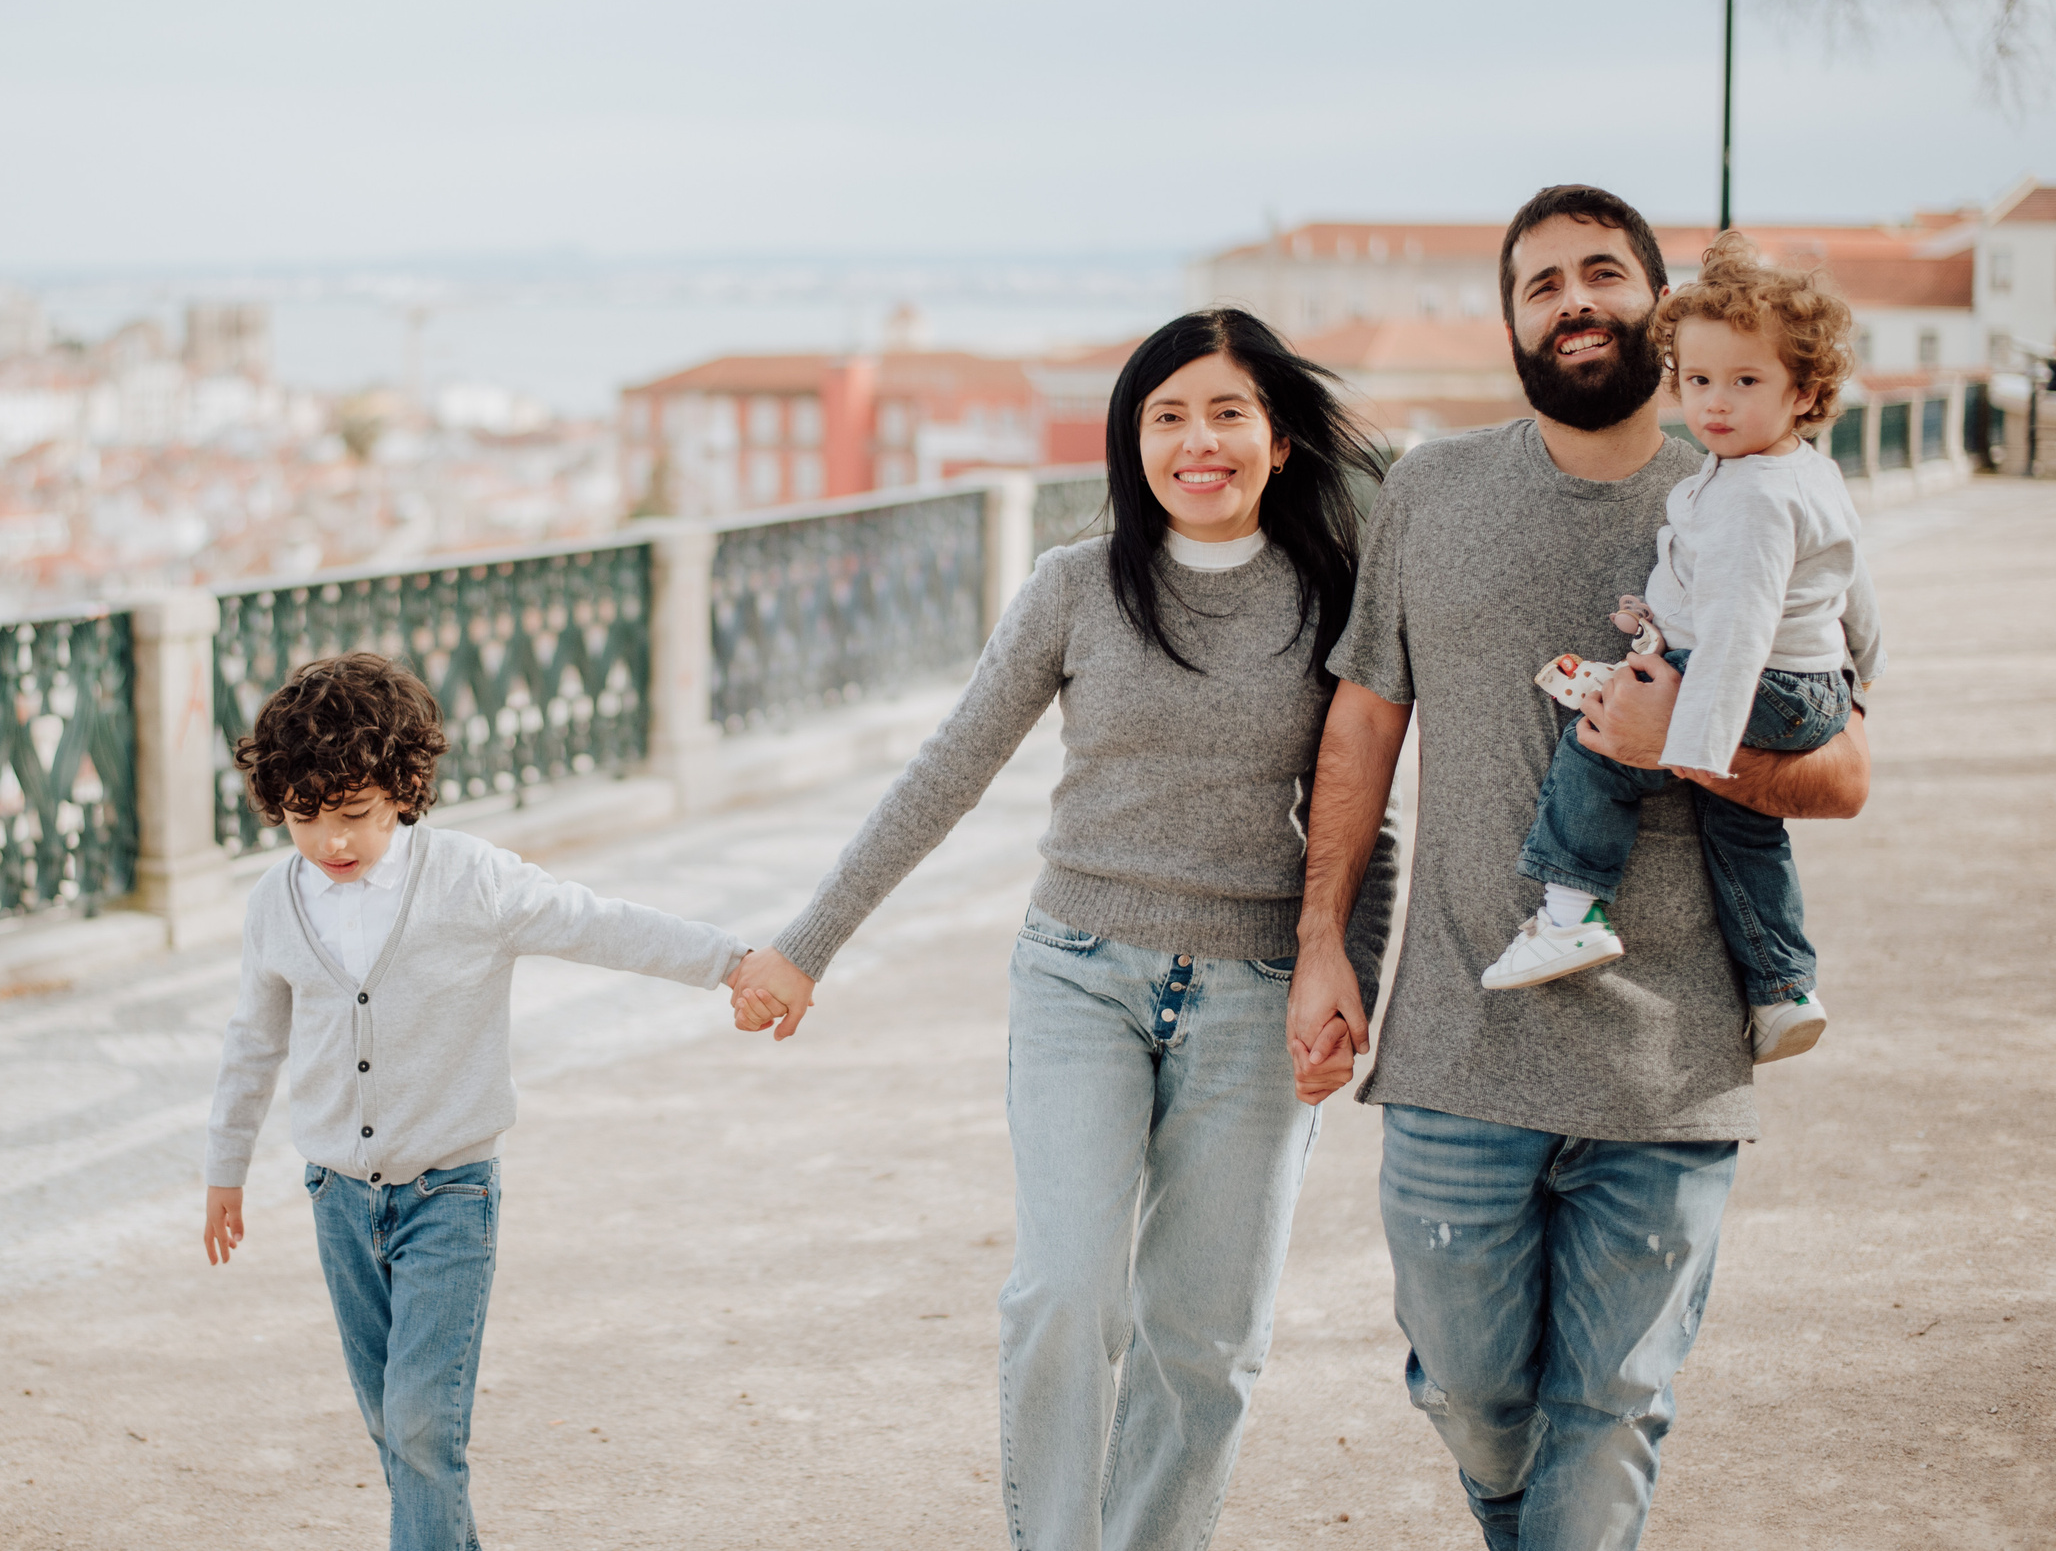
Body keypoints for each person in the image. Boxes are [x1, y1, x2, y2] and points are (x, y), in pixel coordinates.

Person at [730, 309, 1398, 1551]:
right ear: (1129, 440)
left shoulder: (1336, 598)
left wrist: (1342, 968)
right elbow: (944, 772)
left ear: (1281, 440)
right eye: (1166, 416)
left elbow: (1364, 819)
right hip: (1079, 975)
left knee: (1205, 1338)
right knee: (1064, 1294)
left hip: (1256, 995)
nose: (1197, 442)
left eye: (1226, 413)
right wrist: (805, 941)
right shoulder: (1073, 587)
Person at [1285, 185, 1871, 1551]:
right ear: (1511, 324)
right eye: (1539, 284)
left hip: (1670, 1066)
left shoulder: (1768, 488)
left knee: (1610, 1407)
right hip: (1455, 1046)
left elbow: (1844, 770)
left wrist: (1691, 743)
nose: (1572, 301)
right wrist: (1327, 944)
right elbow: (1364, 723)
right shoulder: (1431, 488)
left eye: (1600, 273)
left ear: (1661, 313)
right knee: (1474, 1395)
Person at [199, 652, 753, 1551]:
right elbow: (251, 1041)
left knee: (422, 1423)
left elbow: (598, 921)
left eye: (355, 817)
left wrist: (730, 960)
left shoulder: (471, 880)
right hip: (336, 1198)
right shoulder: (275, 901)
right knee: (390, 1421)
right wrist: (224, 1169)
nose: (331, 843)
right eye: (306, 820)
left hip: (448, 1195)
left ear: (405, 789)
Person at [1486, 233, 1884, 1071]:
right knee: (1744, 827)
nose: (1715, 404)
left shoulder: (1750, 496)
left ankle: (1567, 915)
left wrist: (1681, 743)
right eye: (1698, 380)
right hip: (1814, 680)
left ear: (1804, 389)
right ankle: (1782, 989)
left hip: (1760, 678)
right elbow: (1855, 590)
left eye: (1746, 382)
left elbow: (1738, 633)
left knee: (1596, 742)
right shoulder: (1805, 472)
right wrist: (1866, 669)